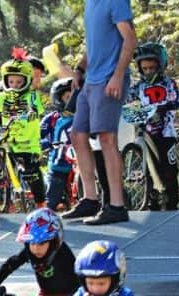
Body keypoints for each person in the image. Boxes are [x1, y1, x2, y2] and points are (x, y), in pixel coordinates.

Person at [61, 0, 137, 225]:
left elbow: (130, 39)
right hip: (90, 80)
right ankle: (90, 200)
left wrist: (117, 75)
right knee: (77, 136)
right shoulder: (90, 4)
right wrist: (80, 69)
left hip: (109, 79)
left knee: (106, 138)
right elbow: (96, 42)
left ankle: (116, 205)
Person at [127, 42, 179, 210]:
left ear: (160, 65)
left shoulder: (168, 83)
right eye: (145, 68)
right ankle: (151, 200)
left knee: (168, 169)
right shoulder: (137, 87)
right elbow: (129, 101)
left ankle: (172, 202)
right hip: (145, 131)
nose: (148, 71)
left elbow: (177, 100)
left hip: (165, 132)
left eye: (151, 68)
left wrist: (167, 106)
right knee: (148, 169)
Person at [0, 49, 48, 209]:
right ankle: (4, 199)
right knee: (0, 166)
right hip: (8, 138)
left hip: (27, 142)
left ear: (26, 81)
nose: (14, 85)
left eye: (19, 82)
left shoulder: (31, 96)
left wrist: (31, 113)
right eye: (11, 82)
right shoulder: (2, 96)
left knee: (31, 171)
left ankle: (40, 201)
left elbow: (37, 110)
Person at [41, 78, 77, 210]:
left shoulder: (85, 115)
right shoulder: (53, 118)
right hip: (59, 164)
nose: (73, 101)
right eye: (69, 97)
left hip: (83, 162)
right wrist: (45, 143)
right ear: (59, 99)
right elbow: (39, 135)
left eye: (76, 97)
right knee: (51, 199)